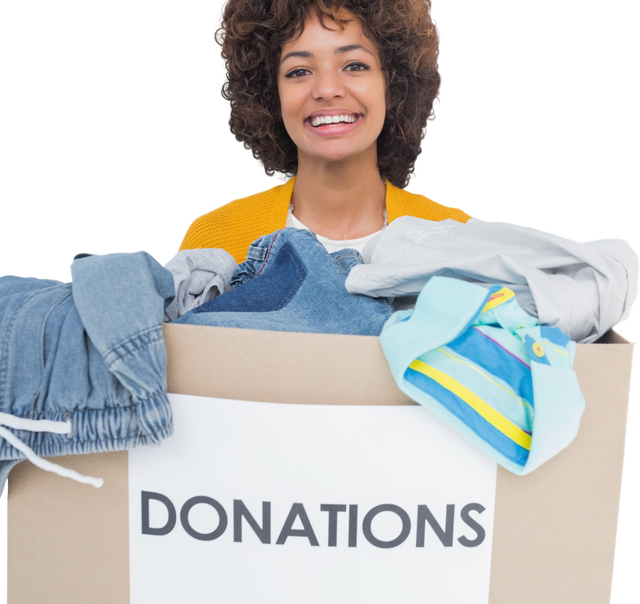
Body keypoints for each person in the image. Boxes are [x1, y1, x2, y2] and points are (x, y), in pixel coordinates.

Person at [176, 0, 473, 264]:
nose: (327, 89)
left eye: (355, 65)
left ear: (393, 85)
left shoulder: (460, 239)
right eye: (299, 71)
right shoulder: (212, 241)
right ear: (270, 94)